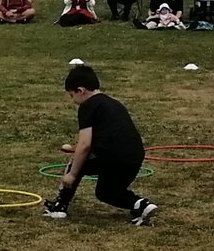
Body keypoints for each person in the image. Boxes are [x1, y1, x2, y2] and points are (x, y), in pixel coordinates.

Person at [42, 65, 158, 225]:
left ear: (80, 91)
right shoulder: (114, 104)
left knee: (77, 162)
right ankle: (140, 204)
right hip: (134, 157)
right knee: (106, 192)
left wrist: (72, 174)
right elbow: (113, 135)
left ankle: (59, 207)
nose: (73, 100)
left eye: (72, 95)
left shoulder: (88, 106)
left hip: (111, 155)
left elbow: (85, 144)